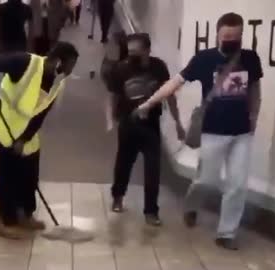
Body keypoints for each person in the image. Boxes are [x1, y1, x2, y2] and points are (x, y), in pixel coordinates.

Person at [135, 13, 263, 249]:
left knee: (237, 184)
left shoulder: (250, 59)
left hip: (241, 132)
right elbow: (175, 83)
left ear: (242, 35)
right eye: (227, 36)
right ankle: (191, 206)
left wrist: (254, 115)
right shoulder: (204, 59)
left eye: (236, 36)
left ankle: (226, 233)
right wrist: (149, 102)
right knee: (206, 180)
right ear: (217, 34)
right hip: (213, 131)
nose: (231, 40)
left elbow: (255, 88)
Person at [0, 42, 79, 239]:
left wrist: (24, 139)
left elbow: (41, 114)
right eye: (69, 65)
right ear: (58, 61)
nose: (70, 71)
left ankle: (25, 214)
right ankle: (4, 221)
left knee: (30, 168)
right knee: (8, 172)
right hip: (2, 123)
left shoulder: (57, 81)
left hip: (24, 130)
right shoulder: (25, 62)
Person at [107, 33, 184, 226]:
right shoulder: (121, 69)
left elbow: (170, 95)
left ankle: (151, 211)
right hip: (128, 123)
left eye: (136, 50)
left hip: (151, 125)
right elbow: (113, 96)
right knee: (124, 163)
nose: (131, 54)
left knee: (153, 168)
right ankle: (118, 196)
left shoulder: (159, 68)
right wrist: (110, 118)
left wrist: (177, 122)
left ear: (147, 50)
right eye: (130, 50)